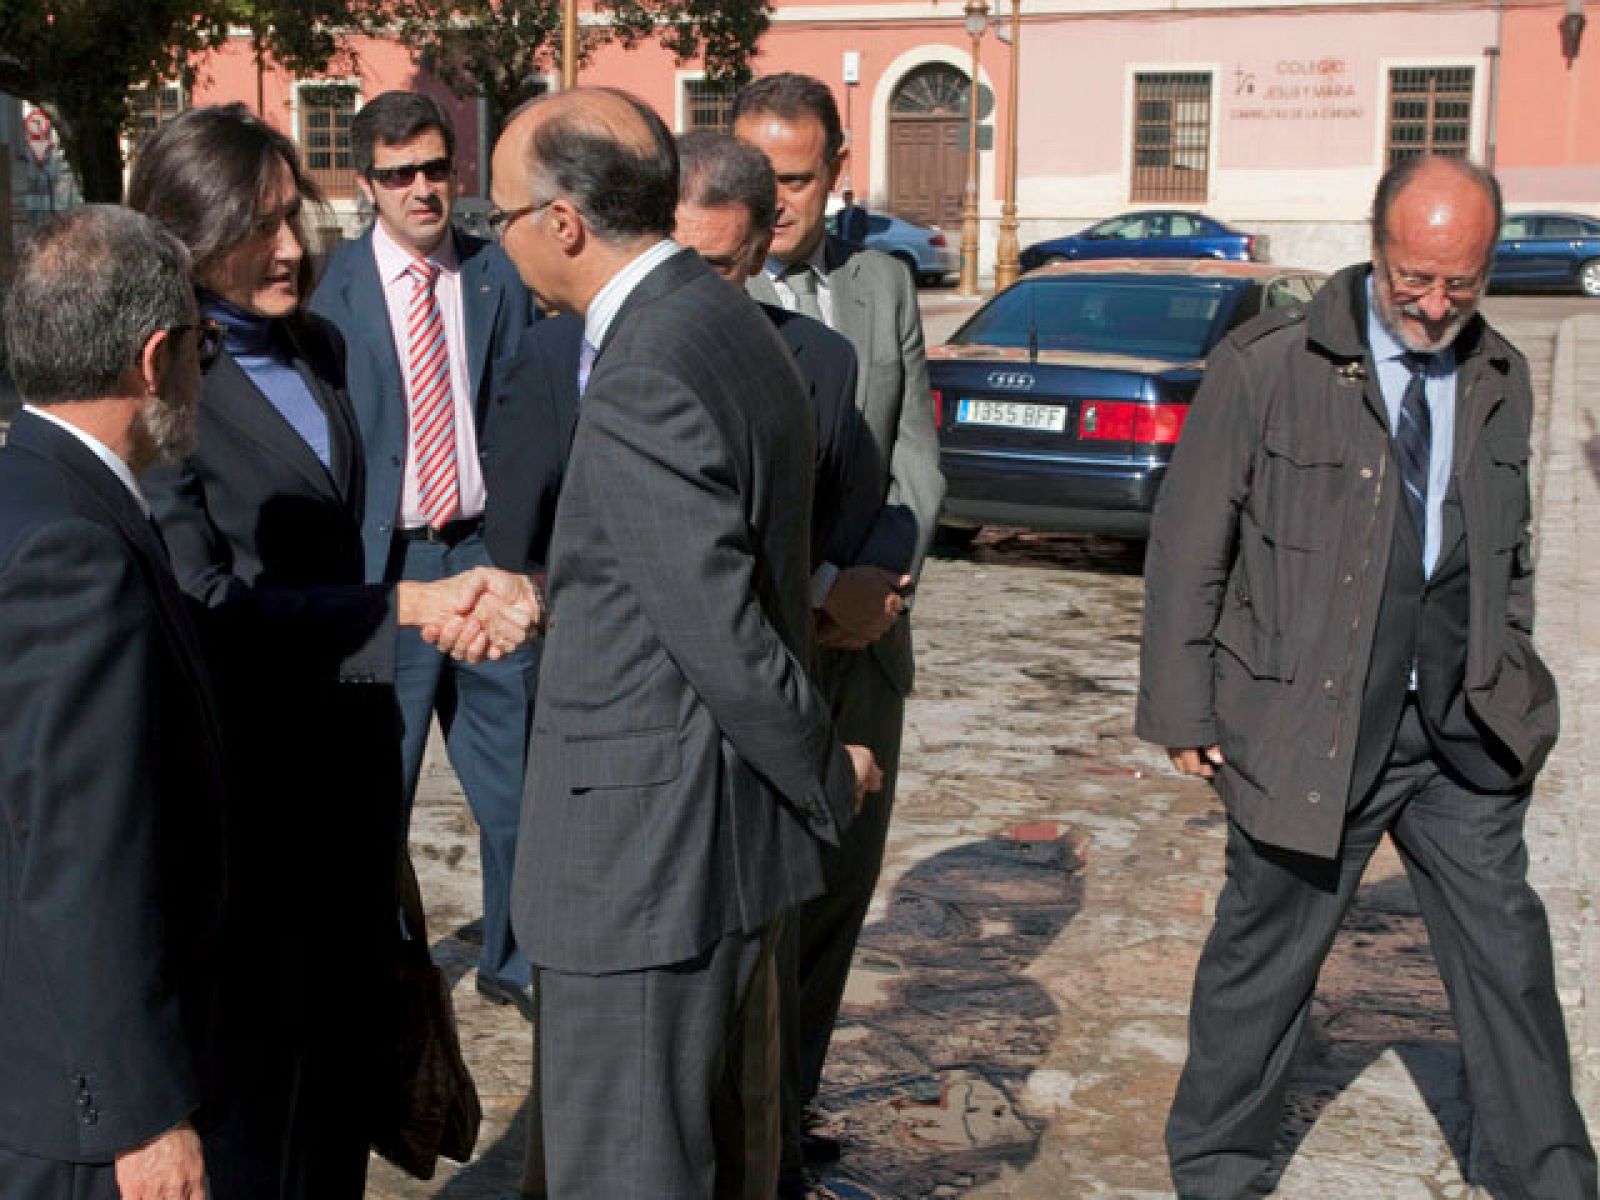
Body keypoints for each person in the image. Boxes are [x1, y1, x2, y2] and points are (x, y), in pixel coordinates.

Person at [1136, 153, 1597, 1199]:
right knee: (1261, 973)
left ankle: (1550, 1179)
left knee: (1508, 967)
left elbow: (1505, 552)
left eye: (1461, 283)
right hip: (1306, 726)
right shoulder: (1267, 367)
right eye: (1414, 279)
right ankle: (1214, 1173)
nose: (1435, 305)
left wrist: (1506, 664)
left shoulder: (1501, 374)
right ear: (1375, 245)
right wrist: (1183, 704)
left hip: (1457, 731)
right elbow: (1187, 544)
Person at [128, 104, 534, 1199]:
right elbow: (208, 608)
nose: (293, 249)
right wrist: (402, 609)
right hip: (244, 811)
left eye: (294, 217)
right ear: (185, 231)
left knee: (336, 1108)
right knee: (259, 1115)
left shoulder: (316, 344)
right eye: (258, 227)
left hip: (345, 780)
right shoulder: (164, 384)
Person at [494, 87, 880, 1200]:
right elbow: (677, 584)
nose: (497, 241)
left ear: (564, 222)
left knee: (628, 1168)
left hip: (642, 861)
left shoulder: (648, 364)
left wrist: (820, 771)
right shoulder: (720, 323)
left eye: (505, 215)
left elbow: (723, 634)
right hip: (700, 842)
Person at [732, 71, 946, 1179]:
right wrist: (818, 589)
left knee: (840, 895)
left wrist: (879, 584)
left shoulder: (881, 286)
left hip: (871, 645)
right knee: (760, 900)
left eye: (798, 179)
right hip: (762, 648)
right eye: (757, 176)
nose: (775, 203)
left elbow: (911, 454)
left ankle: (790, 1105)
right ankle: (742, 1119)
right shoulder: (710, 298)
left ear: (838, 171)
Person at [0, 206, 224, 1200]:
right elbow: (82, 846)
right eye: (201, 346)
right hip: (69, 1110)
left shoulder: (28, 493)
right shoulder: (76, 550)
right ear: (155, 357)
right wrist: (140, 1116)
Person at [311, 90, 544, 1019]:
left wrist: (527, 556)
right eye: (399, 174)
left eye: (435, 170)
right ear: (367, 182)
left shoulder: (497, 277)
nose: (421, 189)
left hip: (484, 554)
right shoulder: (330, 294)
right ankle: (371, 969)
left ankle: (518, 958)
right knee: (375, 785)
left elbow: (529, 417)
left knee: (517, 779)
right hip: (384, 574)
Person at [675, 130, 907, 576]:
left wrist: (854, 587)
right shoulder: (579, 348)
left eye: (717, 267)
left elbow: (890, 472)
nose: (691, 287)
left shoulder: (828, 358)